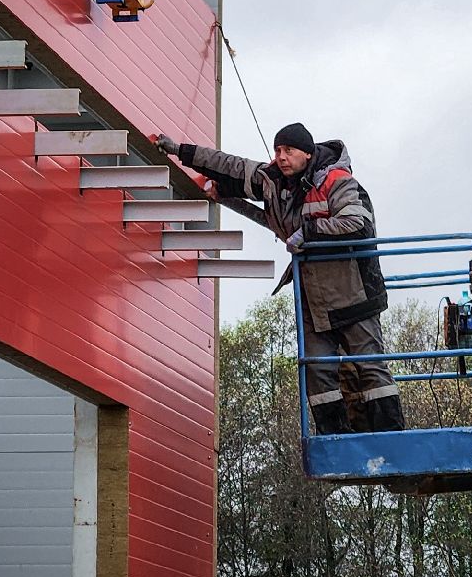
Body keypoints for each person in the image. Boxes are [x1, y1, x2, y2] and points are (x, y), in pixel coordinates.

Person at [156, 123, 405, 435]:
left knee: (370, 367)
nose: (281, 157)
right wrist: (180, 151)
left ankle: (392, 436)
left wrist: (311, 231)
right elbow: (231, 166)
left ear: (308, 154)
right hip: (314, 300)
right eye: (277, 150)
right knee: (318, 371)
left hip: (354, 293)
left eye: (288, 150)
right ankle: (334, 439)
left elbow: (358, 223)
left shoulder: (337, 181)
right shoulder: (274, 182)